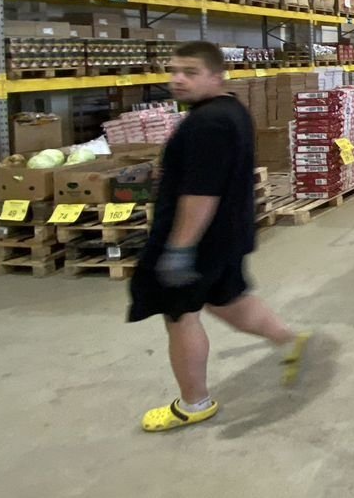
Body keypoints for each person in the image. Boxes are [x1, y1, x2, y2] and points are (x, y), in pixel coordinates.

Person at [128, 40, 309, 432]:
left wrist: (180, 248)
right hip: (230, 232)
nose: (178, 79)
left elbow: (201, 194)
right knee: (229, 299)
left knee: (180, 315)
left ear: (216, 75)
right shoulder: (232, 111)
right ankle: (289, 339)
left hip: (200, 239)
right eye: (174, 71)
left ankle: (194, 403)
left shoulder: (205, 124)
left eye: (190, 72)